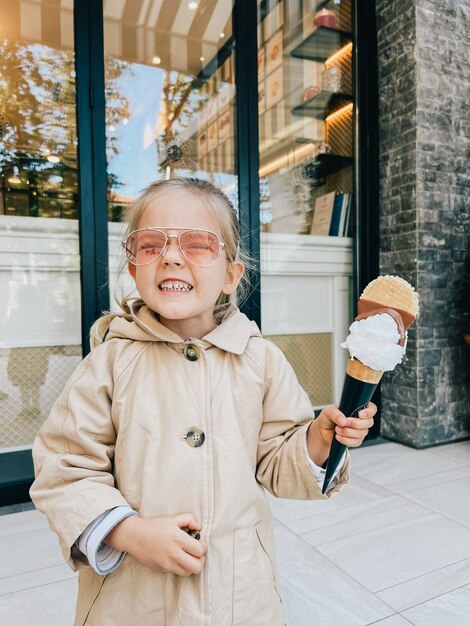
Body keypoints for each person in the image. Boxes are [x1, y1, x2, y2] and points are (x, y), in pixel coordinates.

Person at [30, 177, 376, 626]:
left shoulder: (261, 360)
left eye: (197, 244)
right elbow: (65, 467)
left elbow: (276, 459)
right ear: (135, 270)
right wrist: (127, 531)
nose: (171, 256)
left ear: (231, 276)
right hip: (133, 600)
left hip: (240, 592)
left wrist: (318, 442)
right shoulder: (110, 363)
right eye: (152, 245)